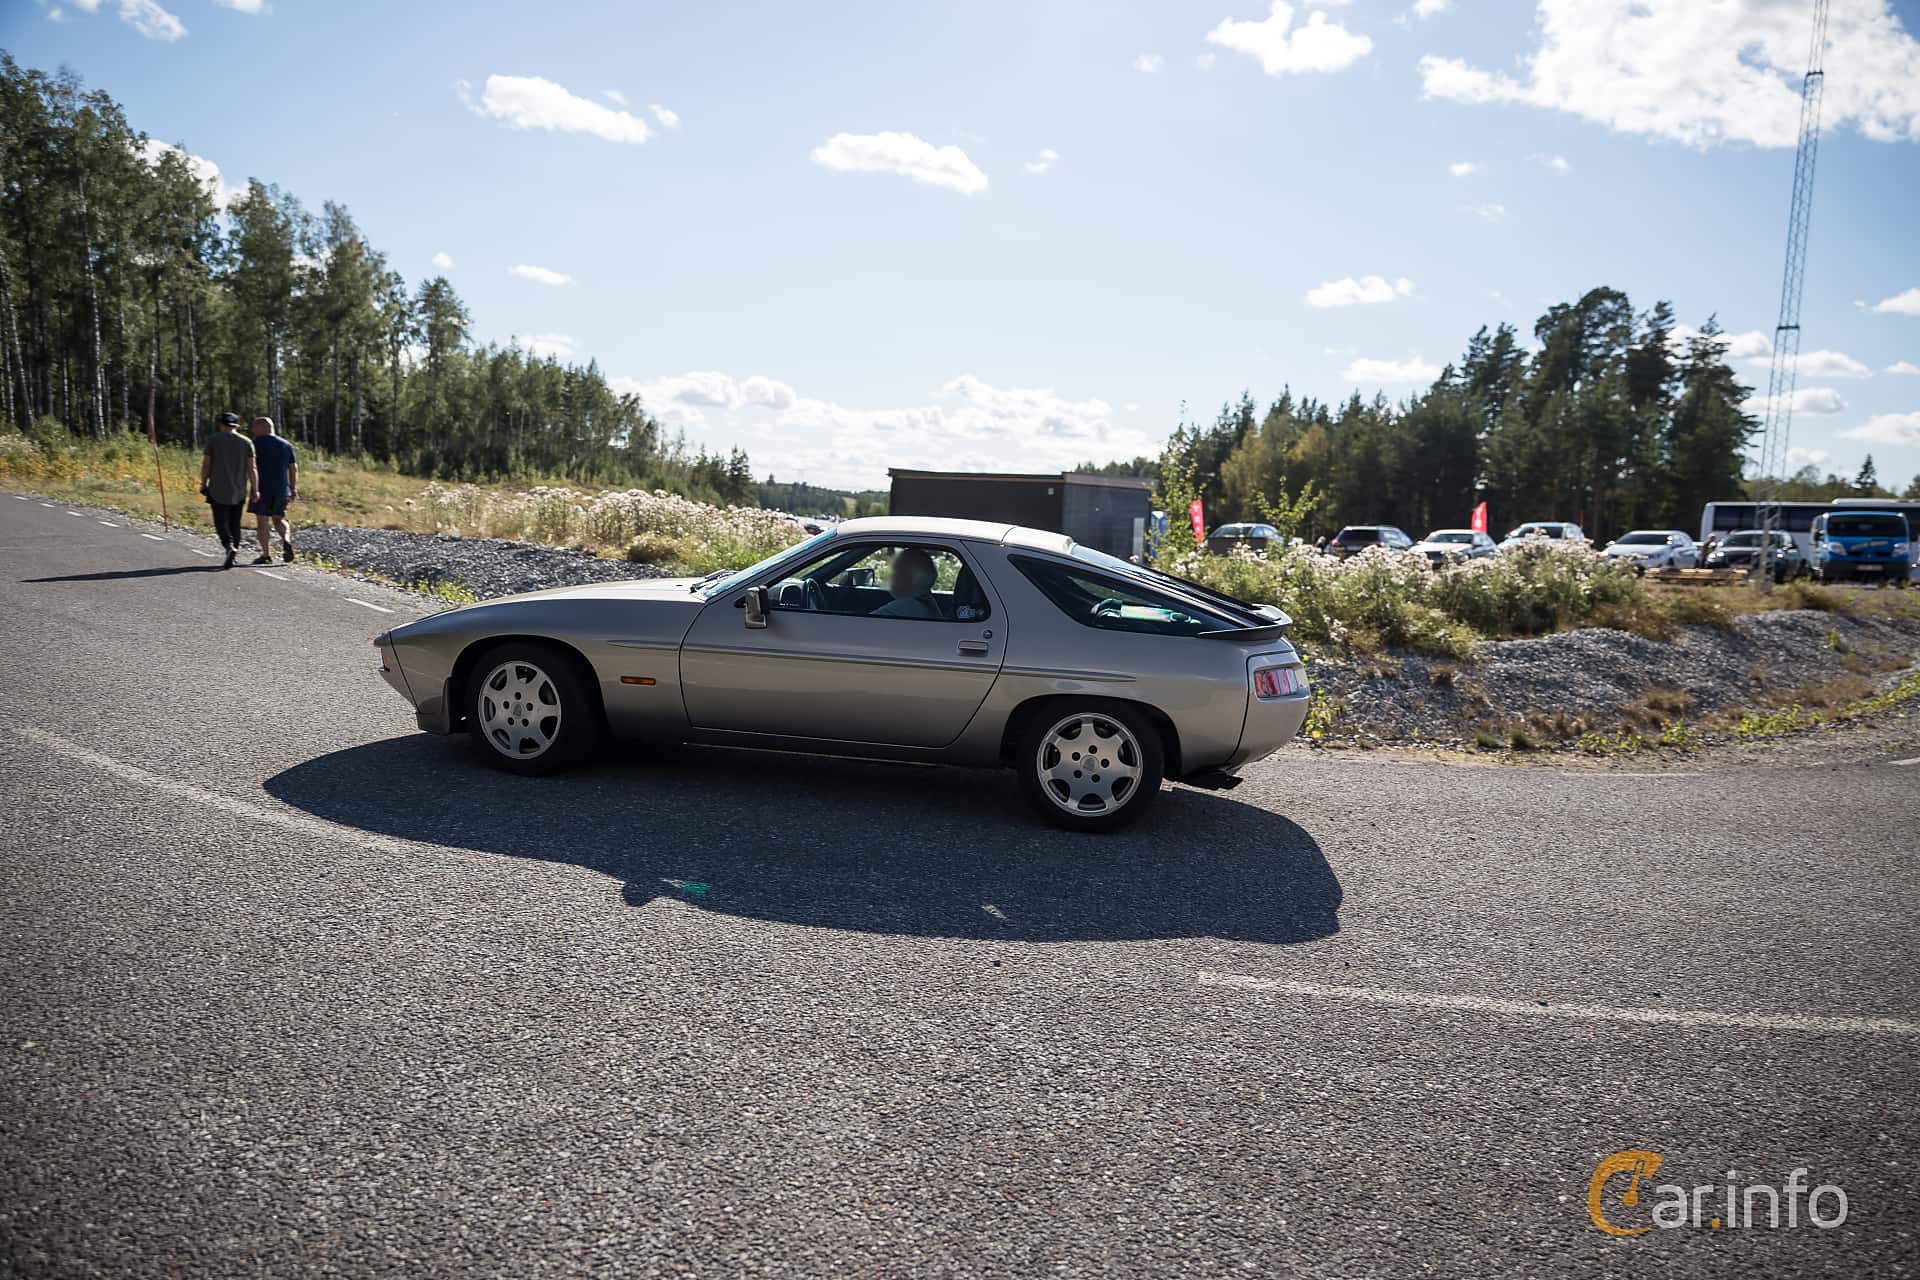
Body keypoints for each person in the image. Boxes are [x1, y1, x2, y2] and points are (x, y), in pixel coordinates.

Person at [199, 412, 257, 569]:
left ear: (221, 424)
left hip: (217, 488)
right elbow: (252, 468)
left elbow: (206, 464)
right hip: (239, 490)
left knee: (220, 521)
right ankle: (234, 552)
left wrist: (203, 482)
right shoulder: (246, 442)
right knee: (235, 523)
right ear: (236, 426)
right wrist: (255, 489)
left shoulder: (213, 440)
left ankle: (228, 545)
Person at [247, 416, 298, 564]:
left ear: (263, 427)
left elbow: (249, 467)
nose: (252, 429)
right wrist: (293, 487)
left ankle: (266, 555)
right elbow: (293, 468)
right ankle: (286, 540)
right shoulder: (286, 445)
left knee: (262, 522)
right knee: (279, 519)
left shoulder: (253, 444)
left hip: (261, 489)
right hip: (282, 490)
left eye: (254, 427)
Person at [871, 548, 941, 619]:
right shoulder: (928, 602)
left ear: (908, 578)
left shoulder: (902, 608)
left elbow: (863, 625)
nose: (891, 575)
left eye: (896, 570)